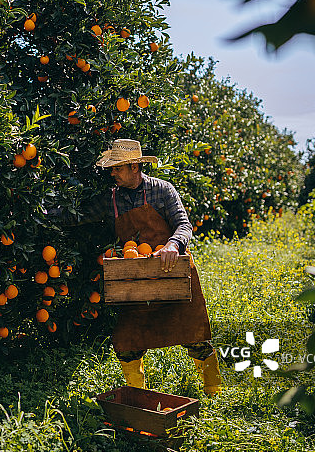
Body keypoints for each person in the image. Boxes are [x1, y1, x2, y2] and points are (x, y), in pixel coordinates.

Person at [49, 139, 222, 395]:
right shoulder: (111, 200)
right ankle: (137, 396)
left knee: (195, 334)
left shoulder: (163, 191)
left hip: (171, 273)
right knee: (127, 342)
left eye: (117, 168)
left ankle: (213, 392)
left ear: (133, 167)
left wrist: (173, 245)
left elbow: (184, 225)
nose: (112, 173)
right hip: (135, 281)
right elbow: (77, 215)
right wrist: (37, 213)